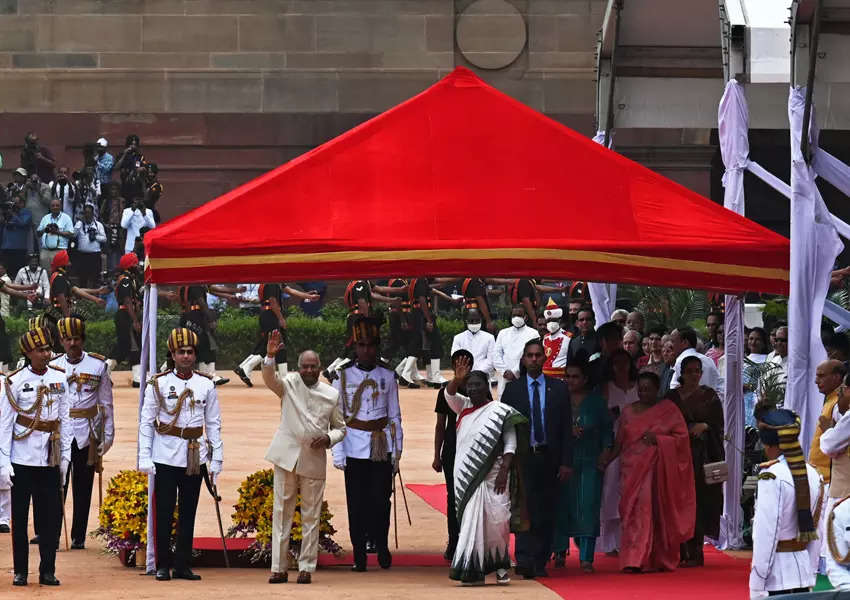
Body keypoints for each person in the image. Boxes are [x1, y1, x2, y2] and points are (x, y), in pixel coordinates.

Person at [138, 327, 223, 582]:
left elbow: (214, 423)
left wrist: (217, 457)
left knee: (188, 511)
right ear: (172, 355)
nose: (186, 356)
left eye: (190, 352)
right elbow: (146, 422)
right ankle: (163, 564)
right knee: (164, 511)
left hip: (194, 455)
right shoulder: (159, 383)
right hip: (165, 454)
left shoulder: (206, 383)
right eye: (181, 352)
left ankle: (183, 564)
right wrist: (144, 456)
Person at [262, 330, 345, 585]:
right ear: (298, 368)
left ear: (320, 367)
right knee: (281, 512)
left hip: (313, 458)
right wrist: (269, 356)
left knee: (311, 515)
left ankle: (307, 567)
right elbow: (269, 379)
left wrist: (329, 439)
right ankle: (278, 567)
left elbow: (341, 428)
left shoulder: (331, 394)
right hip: (286, 455)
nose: (308, 370)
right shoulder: (288, 383)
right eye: (304, 366)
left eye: (313, 366)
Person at [444, 356, 526, 586]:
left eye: (477, 385)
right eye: (469, 385)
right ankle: (471, 569)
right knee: (471, 521)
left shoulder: (500, 411)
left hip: (496, 476)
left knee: (499, 521)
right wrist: (456, 379)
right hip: (468, 477)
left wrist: (504, 471)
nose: (473, 389)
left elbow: (510, 443)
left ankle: (500, 566)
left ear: (487, 386)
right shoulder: (463, 407)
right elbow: (448, 395)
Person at [0, 326, 71, 586]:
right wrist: (3, 463)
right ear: (28, 352)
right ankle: (20, 570)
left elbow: (65, 418)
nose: (46, 354)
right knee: (20, 518)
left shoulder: (60, 378)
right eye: (40, 350)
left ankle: (47, 570)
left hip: (49, 457)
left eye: (47, 349)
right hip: (22, 459)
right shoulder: (14, 381)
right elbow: (5, 426)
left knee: (50, 518)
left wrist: (65, 457)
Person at [331, 317, 403, 572]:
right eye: (362, 345)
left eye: (371, 345)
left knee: (382, 502)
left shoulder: (388, 375)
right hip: (352, 445)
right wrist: (337, 452)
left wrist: (397, 452)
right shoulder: (341, 376)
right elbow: (336, 418)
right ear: (355, 347)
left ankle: (381, 546)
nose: (366, 350)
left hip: (380, 444)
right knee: (357, 503)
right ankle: (359, 555)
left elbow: (394, 416)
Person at [606, 371, 695, 572]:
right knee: (630, 513)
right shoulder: (628, 412)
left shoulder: (668, 410)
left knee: (648, 512)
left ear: (657, 390)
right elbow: (620, 442)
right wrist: (606, 460)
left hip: (655, 471)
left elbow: (682, 440)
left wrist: (660, 440)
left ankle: (643, 559)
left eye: (648, 389)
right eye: (641, 389)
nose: (644, 393)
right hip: (630, 470)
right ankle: (632, 557)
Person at [500, 338, 573, 579]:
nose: (533, 359)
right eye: (529, 355)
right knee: (523, 507)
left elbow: (565, 428)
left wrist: (565, 461)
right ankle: (523, 558)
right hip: (523, 457)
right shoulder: (513, 390)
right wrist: (506, 460)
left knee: (546, 510)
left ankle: (541, 559)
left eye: (537, 355)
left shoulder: (559, 388)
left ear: (545, 358)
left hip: (549, 457)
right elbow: (505, 428)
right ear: (523, 359)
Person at [50, 317, 113, 550]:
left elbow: (106, 404)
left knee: (83, 485)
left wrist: (108, 437)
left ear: (83, 339)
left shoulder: (98, 365)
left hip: (87, 432)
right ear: (61, 341)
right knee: (57, 484)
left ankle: (78, 536)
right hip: (61, 434)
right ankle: (53, 533)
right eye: (68, 339)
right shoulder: (54, 366)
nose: (72, 343)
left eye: (76, 338)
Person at [752, 407, 823, 597]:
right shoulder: (814, 474)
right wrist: (811, 571)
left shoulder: (771, 476)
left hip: (776, 576)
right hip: (802, 570)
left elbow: (767, 533)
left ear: (768, 444)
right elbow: (817, 530)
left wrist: (757, 582)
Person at [553, 353, 613, 572]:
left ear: (585, 379)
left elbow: (608, 429)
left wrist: (606, 452)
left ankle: (586, 558)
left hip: (589, 460)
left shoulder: (597, 401)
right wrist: (566, 431)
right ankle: (559, 552)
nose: (570, 381)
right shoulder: (558, 399)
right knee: (560, 506)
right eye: (567, 377)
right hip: (563, 461)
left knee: (588, 507)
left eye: (575, 377)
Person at [668, 355, 724, 568]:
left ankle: (697, 550)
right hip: (677, 457)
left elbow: (718, 424)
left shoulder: (709, 396)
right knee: (678, 502)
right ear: (681, 373)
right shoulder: (672, 397)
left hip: (702, 457)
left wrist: (705, 427)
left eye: (697, 371)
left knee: (700, 502)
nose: (693, 375)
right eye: (689, 371)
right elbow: (663, 422)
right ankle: (680, 550)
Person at [233, 283, 319, 387]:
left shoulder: (276, 281)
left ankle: (245, 367)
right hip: (270, 315)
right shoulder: (271, 282)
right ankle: (282, 376)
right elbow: (273, 301)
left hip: (269, 315)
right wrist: (281, 318)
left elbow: (290, 290)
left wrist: (308, 296)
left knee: (268, 345)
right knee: (277, 345)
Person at [597, 348, 639, 555]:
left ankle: (630, 540)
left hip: (636, 444)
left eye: (625, 363)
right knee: (611, 489)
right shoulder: (607, 388)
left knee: (632, 491)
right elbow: (602, 418)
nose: (621, 367)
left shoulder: (638, 387)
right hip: (614, 443)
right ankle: (609, 542)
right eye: (617, 363)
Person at [433, 349, 474, 561]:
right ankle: (454, 540)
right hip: (451, 449)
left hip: (473, 450)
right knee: (453, 499)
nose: (462, 367)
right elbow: (440, 426)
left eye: (466, 363)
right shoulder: (445, 392)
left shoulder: (478, 388)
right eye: (457, 363)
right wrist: (436, 454)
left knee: (473, 498)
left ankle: (472, 540)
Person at [106, 253, 143, 386]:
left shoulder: (130, 279)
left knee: (130, 346)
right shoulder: (126, 280)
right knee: (130, 346)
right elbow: (127, 301)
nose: (138, 266)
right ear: (130, 266)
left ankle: (138, 378)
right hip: (125, 315)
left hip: (128, 314)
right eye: (135, 264)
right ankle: (104, 371)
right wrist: (135, 320)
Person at [493, 305, 540, 398]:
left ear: (525, 317)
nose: (516, 318)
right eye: (514, 315)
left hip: (524, 375)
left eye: (519, 315)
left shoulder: (533, 333)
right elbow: (496, 355)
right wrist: (504, 371)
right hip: (504, 377)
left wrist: (515, 372)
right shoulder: (503, 333)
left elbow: (532, 356)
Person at [668, 326, 721, 392]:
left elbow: (675, 393)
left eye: (673, 341)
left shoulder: (682, 361)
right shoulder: (709, 360)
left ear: (685, 343)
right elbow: (720, 387)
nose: (670, 345)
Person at [449, 308, 495, 381]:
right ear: (466, 321)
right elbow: (455, 357)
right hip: (463, 376)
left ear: (481, 320)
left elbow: (491, 360)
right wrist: (466, 371)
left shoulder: (489, 338)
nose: (474, 323)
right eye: (471, 320)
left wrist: (478, 372)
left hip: (482, 377)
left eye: (477, 320)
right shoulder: (458, 338)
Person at [73, 204, 106, 289]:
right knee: (82, 279)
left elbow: (104, 239)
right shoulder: (79, 224)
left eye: (89, 213)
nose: (87, 215)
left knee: (95, 279)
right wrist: (79, 223)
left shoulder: (98, 225)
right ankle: (83, 299)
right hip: (82, 255)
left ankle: (95, 299)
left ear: (92, 214)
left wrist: (95, 237)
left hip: (95, 255)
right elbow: (73, 235)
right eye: (85, 213)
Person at [1, 193, 33, 278]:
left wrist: (13, 214)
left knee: (19, 273)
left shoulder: (26, 212)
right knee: (6, 274)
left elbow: (23, 223)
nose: (14, 205)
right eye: (13, 203)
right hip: (6, 247)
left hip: (19, 248)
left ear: (22, 203)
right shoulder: (7, 212)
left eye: (17, 203)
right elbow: (3, 222)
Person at [743, 327, 770, 428]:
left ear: (763, 342)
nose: (753, 342)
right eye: (751, 339)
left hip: (761, 403)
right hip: (744, 403)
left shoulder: (768, 360)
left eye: (757, 339)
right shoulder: (742, 361)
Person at [37, 198, 74, 270]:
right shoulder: (45, 218)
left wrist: (57, 232)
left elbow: (71, 234)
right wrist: (45, 229)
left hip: (60, 251)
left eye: (57, 205)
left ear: (61, 207)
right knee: (45, 275)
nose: (55, 207)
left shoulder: (66, 218)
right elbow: (38, 233)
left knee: (59, 275)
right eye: (53, 205)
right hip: (45, 251)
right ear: (50, 207)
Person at [542, 298, 570, 379]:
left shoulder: (568, 337)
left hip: (561, 377)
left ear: (559, 320)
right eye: (549, 320)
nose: (551, 323)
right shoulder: (545, 338)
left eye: (554, 320)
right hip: (546, 377)